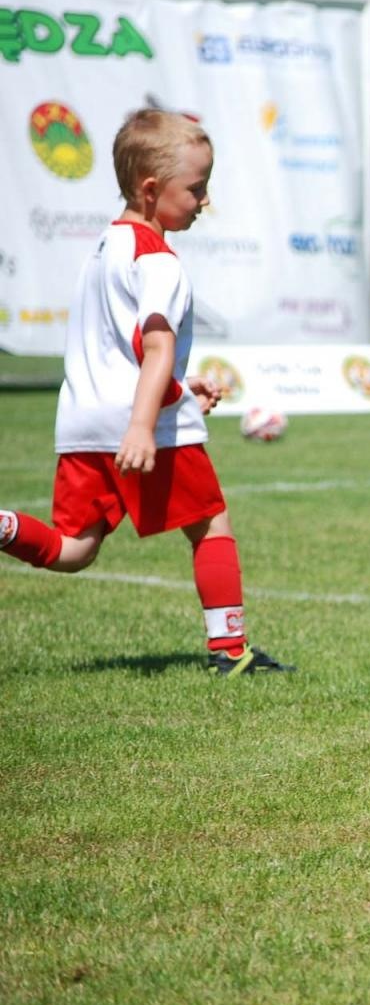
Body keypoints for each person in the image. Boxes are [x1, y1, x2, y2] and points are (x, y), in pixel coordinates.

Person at [0, 109, 291, 676]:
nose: (204, 201)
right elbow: (154, 348)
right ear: (152, 190)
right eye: (197, 189)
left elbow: (120, 346)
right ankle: (231, 653)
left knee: (75, 548)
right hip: (141, 425)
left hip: (83, 422)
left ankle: (3, 525)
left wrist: (182, 390)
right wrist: (142, 424)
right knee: (211, 524)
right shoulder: (160, 261)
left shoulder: (105, 248)